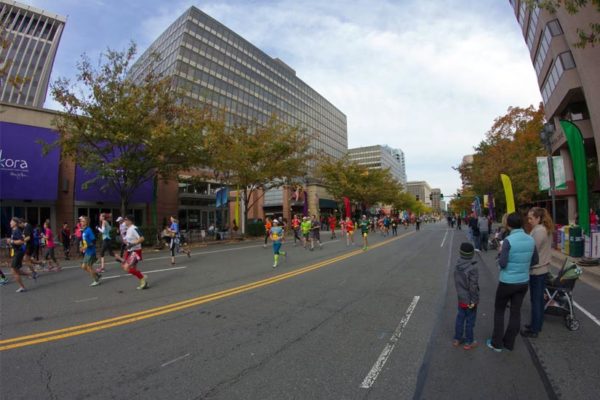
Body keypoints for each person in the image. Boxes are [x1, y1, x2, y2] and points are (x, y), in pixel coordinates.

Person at [487, 212, 538, 352]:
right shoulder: (530, 239)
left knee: (499, 311)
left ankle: (497, 343)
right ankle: (509, 343)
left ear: (508, 225)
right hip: (523, 282)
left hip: (507, 281)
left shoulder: (509, 241)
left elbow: (503, 263)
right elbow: (535, 261)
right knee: (516, 312)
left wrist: (500, 252)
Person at [521, 207, 554, 338]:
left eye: (531, 218)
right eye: (528, 218)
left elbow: (532, 250)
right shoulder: (541, 229)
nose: (529, 221)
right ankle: (536, 323)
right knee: (537, 299)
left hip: (538, 270)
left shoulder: (539, 231)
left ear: (538, 218)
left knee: (536, 300)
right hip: (541, 269)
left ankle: (534, 329)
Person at [453, 242, 479, 350]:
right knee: (470, 321)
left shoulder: (457, 265)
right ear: (471, 254)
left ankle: (457, 339)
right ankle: (469, 341)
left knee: (460, 318)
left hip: (461, 298)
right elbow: (473, 287)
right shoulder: (472, 268)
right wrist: (474, 300)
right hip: (469, 300)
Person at [114, 215, 148, 290]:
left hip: (135, 251)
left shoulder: (134, 228)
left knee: (127, 267)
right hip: (129, 251)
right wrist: (120, 239)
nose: (124, 221)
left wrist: (133, 244)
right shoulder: (128, 229)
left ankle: (143, 280)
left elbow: (142, 238)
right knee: (125, 266)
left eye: (125, 219)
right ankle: (142, 276)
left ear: (130, 221)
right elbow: (126, 240)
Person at [8, 218, 33, 292]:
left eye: (11, 222)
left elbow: (21, 241)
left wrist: (11, 241)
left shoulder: (17, 231)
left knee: (13, 270)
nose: (10, 223)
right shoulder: (14, 230)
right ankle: (29, 274)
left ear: (15, 223)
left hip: (18, 252)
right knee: (15, 270)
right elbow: (16, 241)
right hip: (17, 251)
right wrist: (11, 242)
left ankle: (23, 287)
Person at [78, 216, 102, 287]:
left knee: (89, 267)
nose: (81, 222)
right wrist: (82, 246)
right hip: (87, 251)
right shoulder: (84, 230)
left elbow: (94, 241)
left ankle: (96, 280)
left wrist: (86, 246)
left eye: (83, 221)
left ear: (86, 222)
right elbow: (84, 241)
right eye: (81, 221)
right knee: (83, 266)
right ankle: (96, 275)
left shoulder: (89, 230)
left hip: (91, 252)